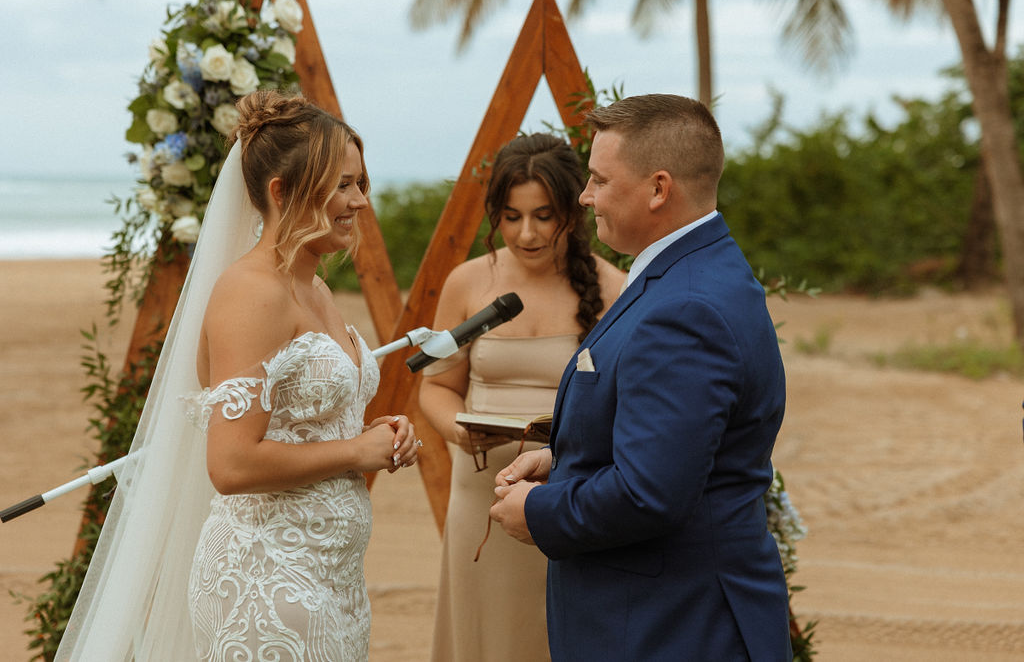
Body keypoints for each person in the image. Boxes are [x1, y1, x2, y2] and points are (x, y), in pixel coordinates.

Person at [55, 90, 420, 661]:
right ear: (281, 192)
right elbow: (230, 464)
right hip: (266, 582)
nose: (360, 202)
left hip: (332, 578)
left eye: (362, 184)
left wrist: (383, 436)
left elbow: (310, 422)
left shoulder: (315, 285)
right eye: (343, 185)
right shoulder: (252, 293)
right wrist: (355, 452)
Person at [490, 95, 792, 661]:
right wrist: (565, 458)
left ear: (658, 189)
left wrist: (538, 511)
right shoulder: (695, 269)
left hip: (670, 627)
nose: (585, 196)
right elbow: (682, 447)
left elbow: (649, 494)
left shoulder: (687, 307)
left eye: (600, 180)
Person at [418, 133, 625, 662]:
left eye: (543, 216)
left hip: (568, 493)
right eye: (511, 217)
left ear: (573, 212)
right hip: (479, 489)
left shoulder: (616, 289)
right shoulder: (466, 283)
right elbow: (437, 387)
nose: (526, 233)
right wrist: (457, 432)